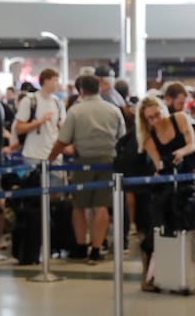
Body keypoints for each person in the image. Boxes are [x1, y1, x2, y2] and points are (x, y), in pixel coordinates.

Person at [47, 75, 125, 265]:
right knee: (101, 206)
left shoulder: (76, 111)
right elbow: (122, 138)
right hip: (108, 161)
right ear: (99, 88)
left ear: (81, 90)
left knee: (79, 205)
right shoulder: (113, 110)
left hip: (82, 162)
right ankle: (96, 250)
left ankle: (81, 247)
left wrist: (49, 159)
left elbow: (63, 140)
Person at [136, 96, 195, 291]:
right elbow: (159, 165)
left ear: (163, 109)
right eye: (151, 118)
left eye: (158, 114)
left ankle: (187, 273)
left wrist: (181, 152)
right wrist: (160, 171)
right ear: (145, 120)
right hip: (165, 186)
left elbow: (192, 144)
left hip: (187, 181)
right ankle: (149, 273)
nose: (156, 119)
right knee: (158, 226)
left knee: (189, 226)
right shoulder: (148, 138)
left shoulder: (180, 118)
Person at [15, 68, 65, 174]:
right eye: (55, 81)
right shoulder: (29, 101)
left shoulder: (58, 103)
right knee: (34, 183)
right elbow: (18, 128)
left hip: (54, 155)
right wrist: (39, 121)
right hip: (33, 155)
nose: (57, 84)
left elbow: (62, 128)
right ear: (46, 81)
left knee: (56, 183)